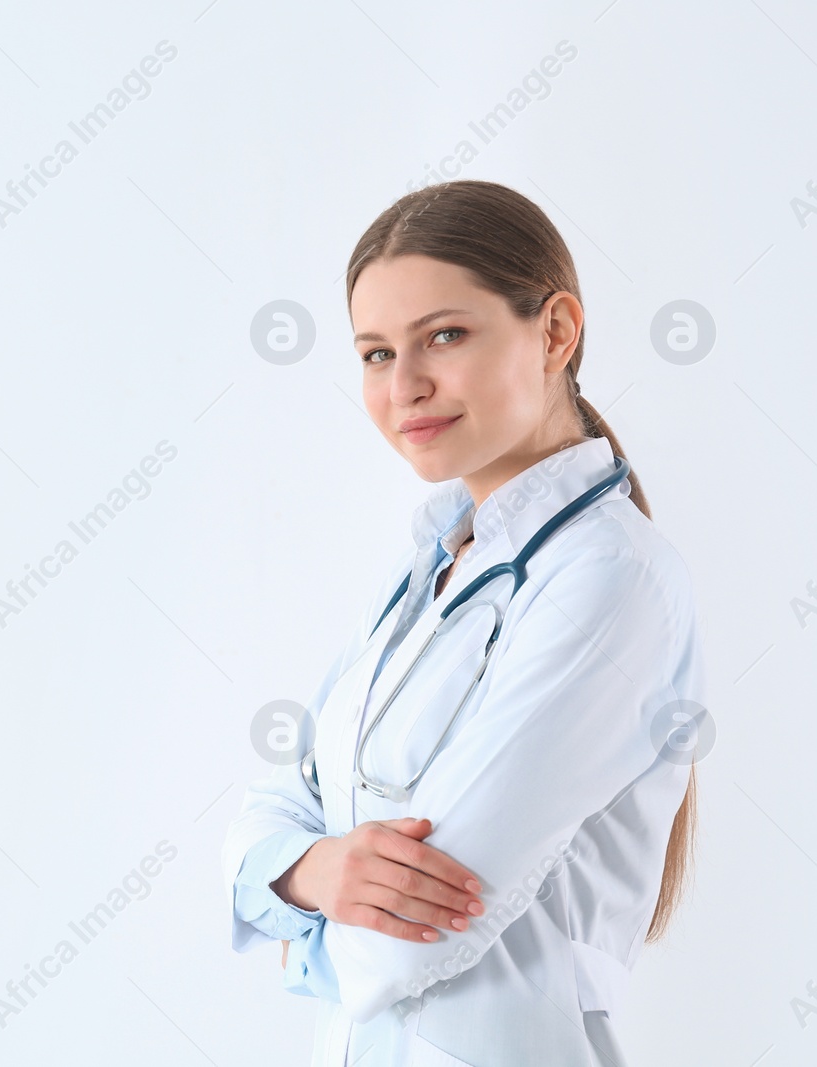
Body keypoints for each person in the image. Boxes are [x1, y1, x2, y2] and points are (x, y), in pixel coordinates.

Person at [220, 180, 706, 1067]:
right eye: (374, 353)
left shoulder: (609, 578)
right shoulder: (429, 567)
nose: (405, 386)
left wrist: (283, 903)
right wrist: (309, 870)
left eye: (444, 335)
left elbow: (424, 929)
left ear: (555, 332)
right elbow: (280, 802)